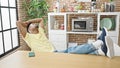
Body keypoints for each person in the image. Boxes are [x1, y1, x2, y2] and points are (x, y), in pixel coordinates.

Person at [16, 18, 114, 58]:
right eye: (31, 25)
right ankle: (96, 44)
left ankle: (99, 52)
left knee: (74, 54)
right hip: (49, 56)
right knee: (71, 50)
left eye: (33, 23)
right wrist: (25, 24)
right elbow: (17, 23)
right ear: (29, 30)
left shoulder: (40, 31)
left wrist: (29, 21)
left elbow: (41, 19)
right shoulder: (28, 37)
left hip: (54, 52)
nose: (33, 23)